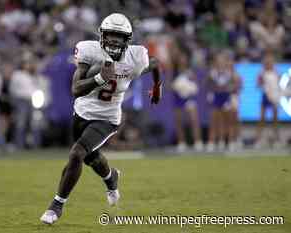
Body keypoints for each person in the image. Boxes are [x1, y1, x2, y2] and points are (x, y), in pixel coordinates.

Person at [40, 13, 162, 224]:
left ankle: (56, 206)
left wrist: (157, 87)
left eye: (119, 36)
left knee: (77, 154)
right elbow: (75, 89)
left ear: (128, 40)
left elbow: (156, 63)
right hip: (81, 112)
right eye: (111, 35)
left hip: (107, 118)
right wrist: (99, 78)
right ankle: (111, 178)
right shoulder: (89, 51)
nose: (114, 40)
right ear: (102, 35)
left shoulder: (135, 58)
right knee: (90, 157)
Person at [171, 51, 202, 152]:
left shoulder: (189, 71)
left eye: (184, 58)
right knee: (179, 121)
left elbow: (196, 85)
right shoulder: (174, 72)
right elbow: (169, 85)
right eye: (180, 58)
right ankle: (181, 142)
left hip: (188, 98)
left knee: (194, 119)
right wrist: (176, 86)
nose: (182, 60)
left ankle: (197, 142)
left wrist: (189, 88)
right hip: (178, 98)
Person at [206, 52, 237, 152]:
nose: (220, 63)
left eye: (222, 61)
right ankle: (213, 141)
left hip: (226, 97)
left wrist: (228, 88)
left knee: (228, 120)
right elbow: (207, 84)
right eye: (218, 61)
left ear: (225, 62)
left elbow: (234, 85)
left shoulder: (229, 73)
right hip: (216, 97)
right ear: (216, 63)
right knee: (215, 120)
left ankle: (230, 141)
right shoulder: (212, 73)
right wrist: (214, 88)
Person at [255, 52, 280, 148]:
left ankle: (277, 139)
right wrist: (263, 85)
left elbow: (279, 86)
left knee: (275, 119)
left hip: (274, 96)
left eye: (270, 62)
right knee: (262, 118)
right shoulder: (261, 73)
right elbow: (258, 85)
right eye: (267, 62)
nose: (269, 63)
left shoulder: (276, 73)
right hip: (265, 96)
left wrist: (276, 95)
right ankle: (258, 139)